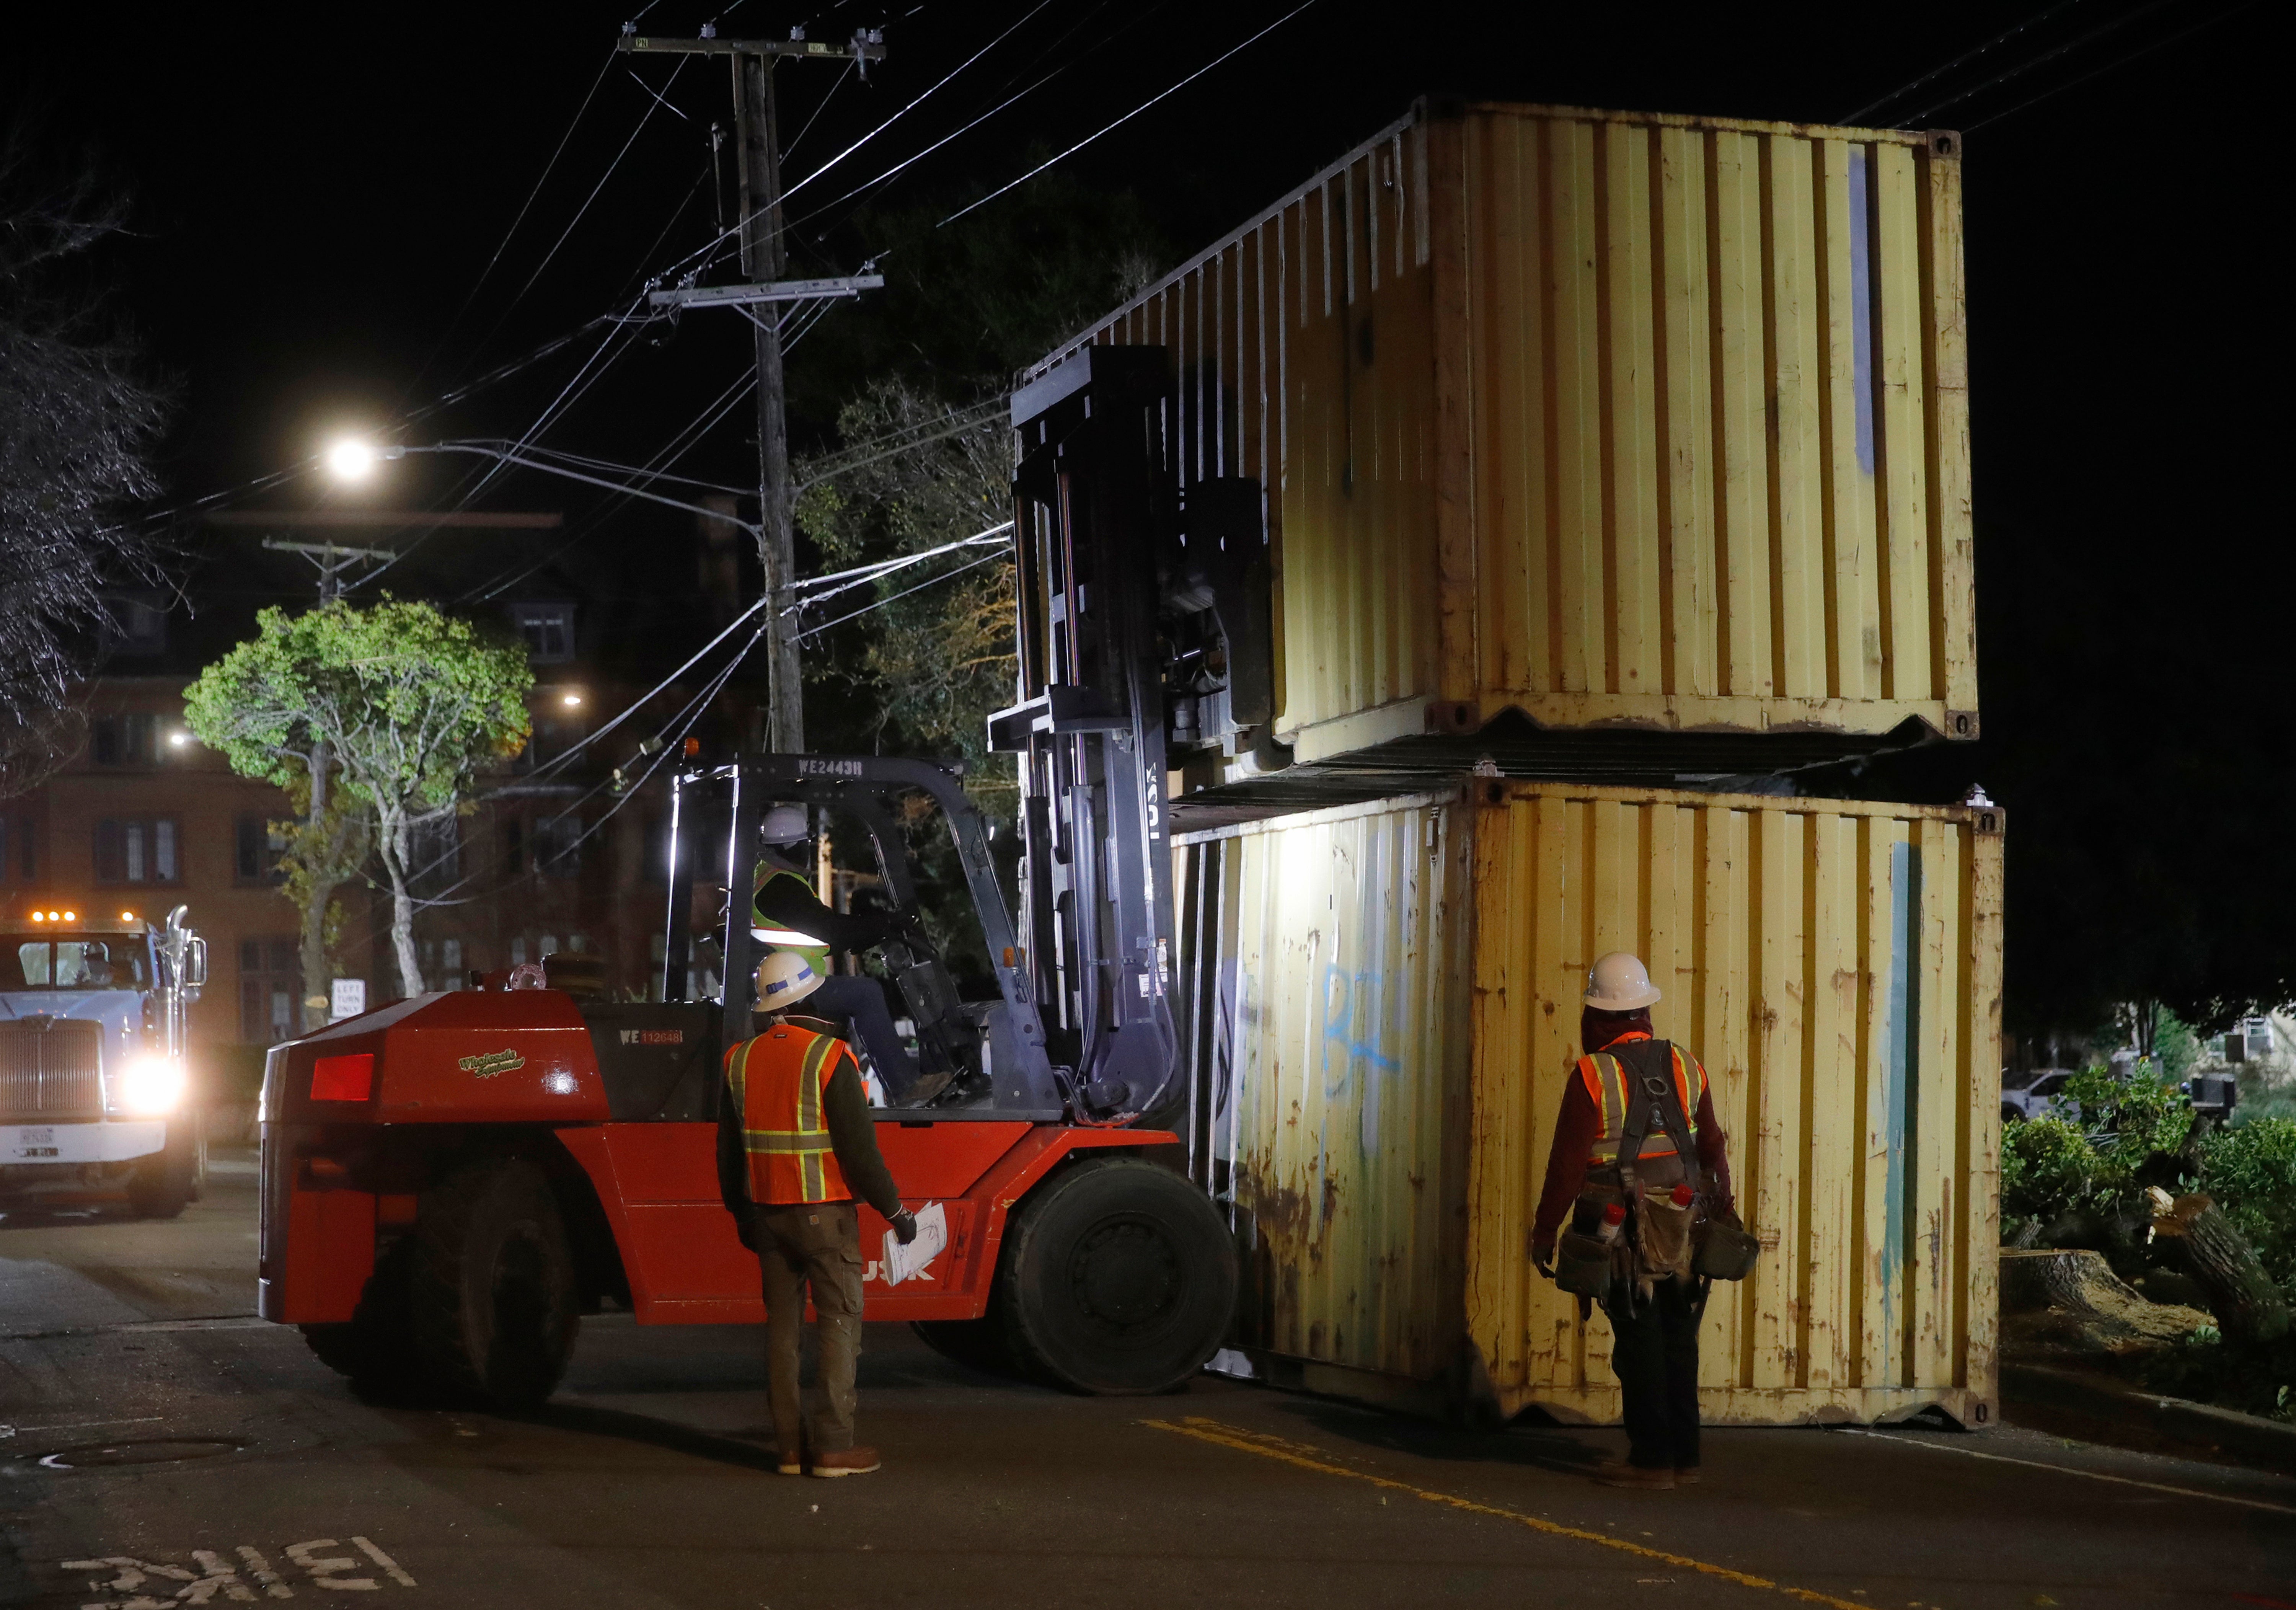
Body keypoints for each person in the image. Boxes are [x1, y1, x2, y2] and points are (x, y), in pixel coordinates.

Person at [1530, 951, 1736, 1491]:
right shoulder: (1687, 1064)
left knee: (1640, 1341)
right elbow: (1712, 1146)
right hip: (1686, 1225)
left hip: (1624, 1236)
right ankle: (1685, 1458)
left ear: (1596, 1016)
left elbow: (1567, 1165)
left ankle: (1651, 1461)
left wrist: (1545, 1231)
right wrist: (1725, 1208)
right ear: (1645, 1010)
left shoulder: (1593, 1074)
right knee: (1679, 1339)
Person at [718, 949, 918, 1478]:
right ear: (810, 997)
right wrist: (897, 1211)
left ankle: (789, 1447)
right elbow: (860, 1153)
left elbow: (728, 1152)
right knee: (838, 1322)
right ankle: (832, 1446)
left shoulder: (739, 1060)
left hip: (766, 1215)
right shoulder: (830, 1057)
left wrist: (741, 1214)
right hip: (824, 1215)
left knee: (782, 1332)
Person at [749, 803, 943, 1103]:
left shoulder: (767, 878)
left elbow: (828, 933)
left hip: (788, 983)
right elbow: (832, 931)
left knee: (856, 993)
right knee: (866, 993)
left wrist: (873, 930)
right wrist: (885, 923)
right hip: (790, 989)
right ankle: (904, 1087)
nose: (808, 851)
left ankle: (870, 1082)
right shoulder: (781, 886)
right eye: (805, 844)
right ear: (792, 847)